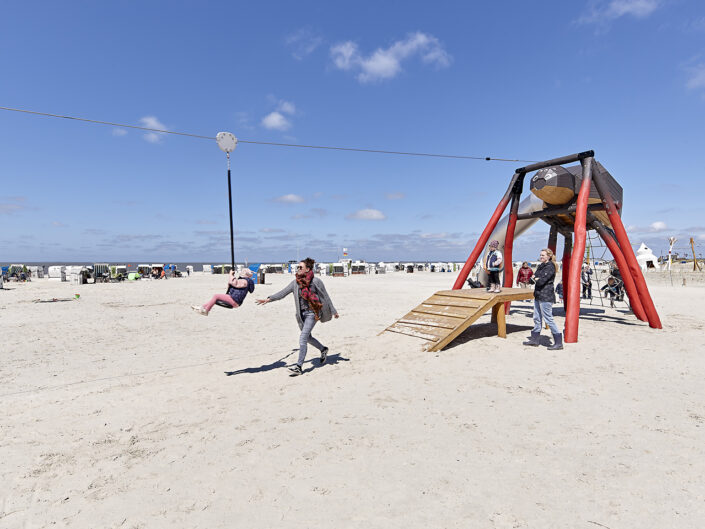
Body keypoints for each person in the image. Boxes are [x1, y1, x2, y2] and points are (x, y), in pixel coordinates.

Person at [256, 257, 339, 376]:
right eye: (298, 267)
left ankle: (299, 366)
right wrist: (269, 299)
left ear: (307, 269)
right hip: (301, 315)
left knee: (303, 338)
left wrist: (333, 310)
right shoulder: (295, 282)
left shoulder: (316, 281)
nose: (298, 269)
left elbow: (325, 296)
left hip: (313, 313)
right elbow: (282, 293)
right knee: (308, 338)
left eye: (300, 267)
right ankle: (323, 349)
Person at [523, 248, 563, 350]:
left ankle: (558, 342)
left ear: (549, 256)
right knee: (536, 318)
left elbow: (541, 281)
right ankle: (535, 339)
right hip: (538, 294)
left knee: (548, 319)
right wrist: (535, 279)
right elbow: (532, 280)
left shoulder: (550, 267)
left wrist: (536, 279)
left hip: (546, 296)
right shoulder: (541, 266)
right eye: (540, 255)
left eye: (543, 255)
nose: (541, 257)